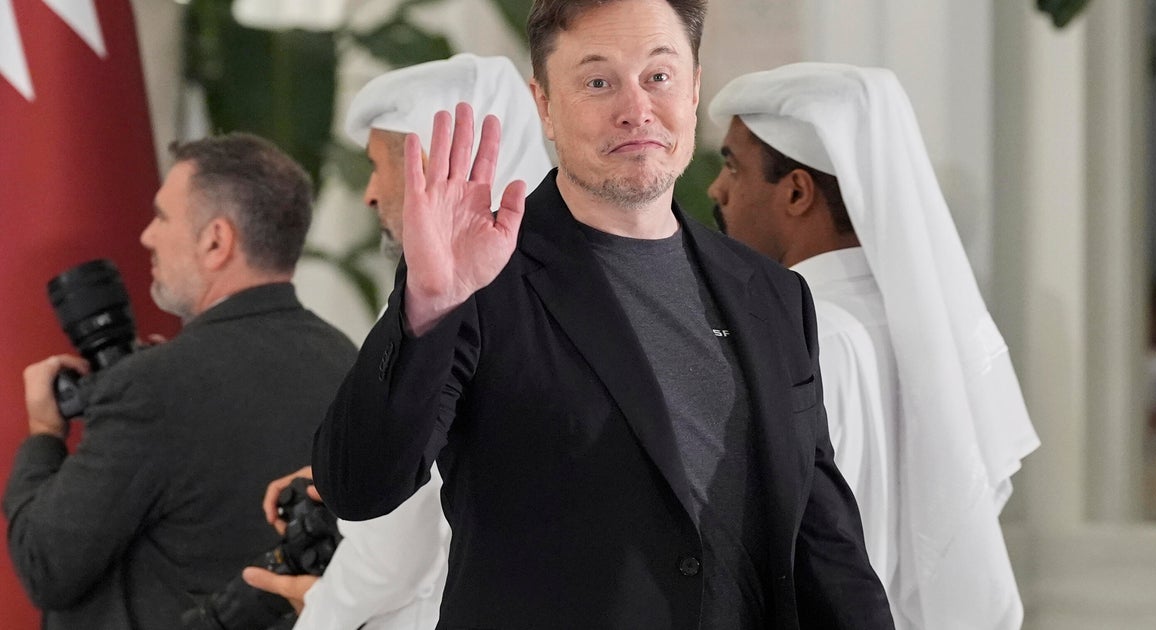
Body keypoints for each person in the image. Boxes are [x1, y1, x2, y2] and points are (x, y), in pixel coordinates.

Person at [312, 1, 894, 628]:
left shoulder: (773, 294)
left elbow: (824, 542)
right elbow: (361, 487)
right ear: (544, 105)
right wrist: (429, 304)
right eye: (597, 81)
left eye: (659, 76)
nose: (636, 108)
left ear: (694, 88)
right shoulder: (480, 276)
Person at [707, 62, 1041, 630]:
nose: (716, 189)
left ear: (796, 192)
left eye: (733, 167)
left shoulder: (804, 337)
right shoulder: (913, 327)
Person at [241, 53, 553, 630]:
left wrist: (319, 615)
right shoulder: (567, 279)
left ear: (433, 167)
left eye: (377, 166)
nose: (369, 193)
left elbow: (390, 552)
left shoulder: (452, 301)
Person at [3, 133, 359, 630]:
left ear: (216, 241)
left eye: (162, 217)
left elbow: (44, 565)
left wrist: (44, 434)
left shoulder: (153, 386)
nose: (147, 236)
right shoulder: (347, 361)